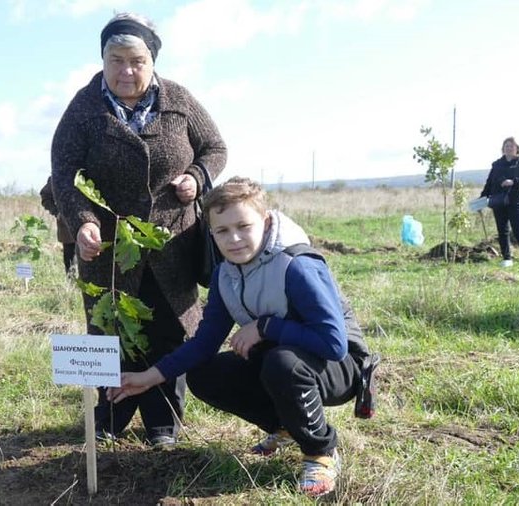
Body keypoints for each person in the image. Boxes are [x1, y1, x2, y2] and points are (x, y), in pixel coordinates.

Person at [107, 177, 374, 498]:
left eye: (243, 226)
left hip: (342, 365)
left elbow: (334, 343)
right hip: (288, 359)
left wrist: (265, 327)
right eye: (221, 231)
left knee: (282, 363)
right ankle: (287, 425)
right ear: (211, 233)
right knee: (205, 374)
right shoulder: (225, 275)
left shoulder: (295, 266)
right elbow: (204, 344)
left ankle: (321, 451)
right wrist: (148, 378)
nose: (233, 239)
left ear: (266, 220)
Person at [50, 12, 227, 447]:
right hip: (108, 249)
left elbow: (216, 148)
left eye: (137, 61)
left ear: (152, 61)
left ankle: (163, 422)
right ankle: (110, 416)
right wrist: (85, 223)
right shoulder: (84, 109)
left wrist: (198, 177)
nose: (126, 71)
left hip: (173, 242)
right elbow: (63, 172)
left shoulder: (179, 101)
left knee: (168, 328)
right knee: (111, 330)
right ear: (103, 59)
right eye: (116, 60)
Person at [480, 137, 519, 268]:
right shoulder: (497, 164)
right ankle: (507, 258)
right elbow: (489, 183)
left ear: (517, 148)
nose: (509, 148)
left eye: (511, 146)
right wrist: (482, 198)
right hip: (498, 201)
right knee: (502, 231)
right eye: (506, 146)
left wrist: (514, 182)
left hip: (516, 202)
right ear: (503, 149)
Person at [39, 177, 77, 275]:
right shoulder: (59, 175)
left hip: (95, 224)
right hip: (67, 224)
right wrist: (57, 212)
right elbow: (45, 196)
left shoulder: (90, 170)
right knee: (70, 258)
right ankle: (71, 285)